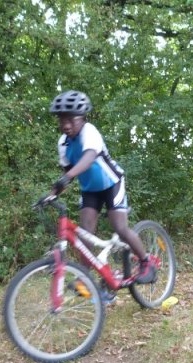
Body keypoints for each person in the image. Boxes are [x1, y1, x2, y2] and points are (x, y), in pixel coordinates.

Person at [48, 90, 157, 294]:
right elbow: (67, 172)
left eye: (71, 119)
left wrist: (67, 178)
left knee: (120, 227)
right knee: (86, 233)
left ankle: (146, 262)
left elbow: (89, 157)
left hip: (112, 183)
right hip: (90, 190)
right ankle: (85, 278)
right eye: (62, 120)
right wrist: (53, 193)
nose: (66, 125)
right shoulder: (63, 143)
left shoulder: (90, 132)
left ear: (82, 118)